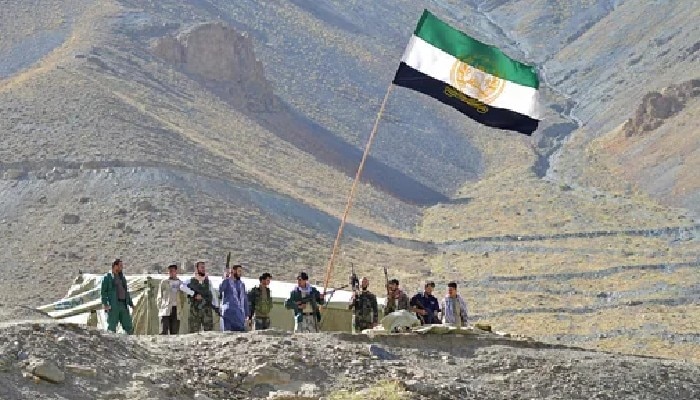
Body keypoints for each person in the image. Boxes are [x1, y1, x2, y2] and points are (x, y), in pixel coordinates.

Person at [100, 258, 134, 334]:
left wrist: (131, 303)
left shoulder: (122, 278)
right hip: (113, 304)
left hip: (123, 304)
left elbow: (126, 291)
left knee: (128, 325)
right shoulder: (107, 277)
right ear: (115, 266)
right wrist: (105, 304)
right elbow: (103, 292)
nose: (122, 267)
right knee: (112, 326)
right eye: (120, 265)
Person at [157, 264, 186, 335]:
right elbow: (159, 296)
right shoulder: (164, 282)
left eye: (173, 271)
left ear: (176, 271)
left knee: (174, 331)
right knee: (164, 330)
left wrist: (181, 307)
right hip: (166, 308)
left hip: (176, 308)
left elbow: (183, 297)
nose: (171, 273)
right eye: (170, 271)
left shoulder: (181, 283)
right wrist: (160, 306)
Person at [219, 264, 249, 332]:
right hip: (229, 313)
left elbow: (245, 299)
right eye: (239, 271)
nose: (240, 273)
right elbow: (221, 290)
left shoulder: (242, 284)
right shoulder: (227, 282)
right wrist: (225, 278)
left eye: (241, 271)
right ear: (233, 271)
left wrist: (247, 314)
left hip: (240, 314)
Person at [187, 261, 214, 333]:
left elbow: (212, 293)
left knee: (209, 332)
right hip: (195, 310)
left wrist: (216, 306)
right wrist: (194, 294)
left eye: (204, 267)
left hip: (207, 310)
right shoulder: (191, 280)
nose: (203, 269)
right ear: (196, 268)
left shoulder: (207, 281)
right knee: (193, 332)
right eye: (201, 267)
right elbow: (182, 286)